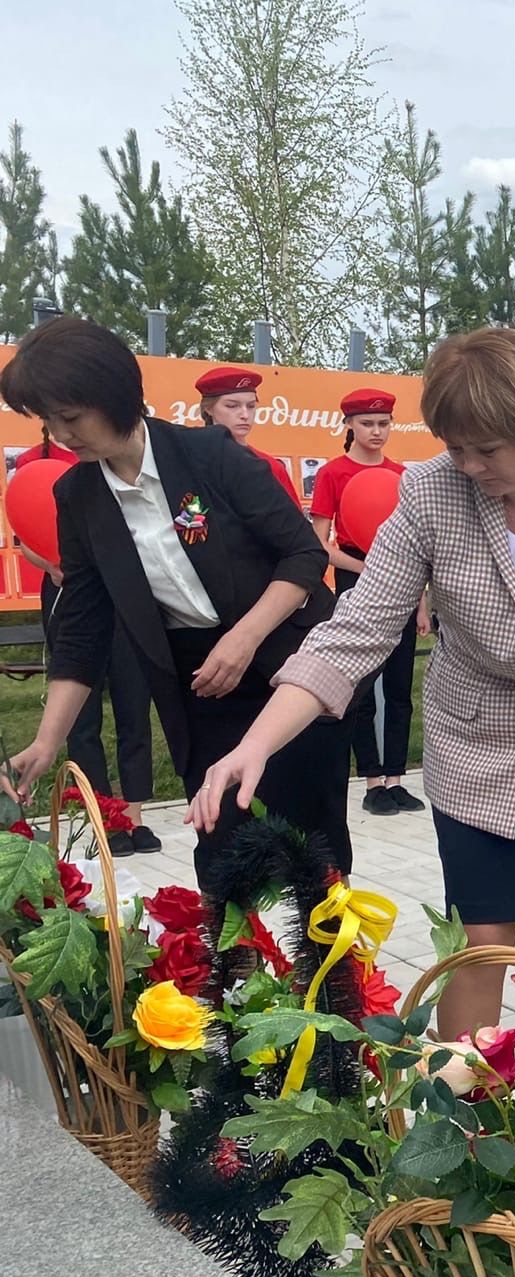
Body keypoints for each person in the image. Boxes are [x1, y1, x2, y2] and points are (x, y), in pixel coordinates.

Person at [188, 329, 515, 1041]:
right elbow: (354, 630)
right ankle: (463, 1119)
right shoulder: (431, 493)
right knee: (480, 936)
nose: (470, 464)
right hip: (483, 744)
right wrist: (255, 745)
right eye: (457, 445)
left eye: (488, 447)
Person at [0, 318, 351, 883]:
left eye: (70, 417)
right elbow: (83, 630)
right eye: (48, 421)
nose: (62, 435)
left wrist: (244, 637)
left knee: (317, 851)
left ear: (112, 395)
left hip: (287, 666)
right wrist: (46, 741)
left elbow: (302, 557)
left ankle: (334, 970)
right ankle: (226, 969)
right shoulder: (79, 496)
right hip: (199, 685)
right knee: (221, 854)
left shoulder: (210, 457)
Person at [13, 433, 160, 856]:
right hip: (68, 591)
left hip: (124, 588)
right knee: (82, 708)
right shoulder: (30, 461)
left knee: (134, 701)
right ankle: (101, 812)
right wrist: (57, 566)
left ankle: (134, 813)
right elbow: (28, 532)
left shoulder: (110, 455)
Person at [309, 389, 430, 815]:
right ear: (350, 426)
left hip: (402, 582)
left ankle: (396, 778)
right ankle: (371, 779)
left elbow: (418, 546)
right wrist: (370, 571)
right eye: (367, 424)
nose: (376, 432)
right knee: (361, 687)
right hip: (355, 576)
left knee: (399, 687)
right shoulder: (332, 474)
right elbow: (320, 544)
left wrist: (420, 603)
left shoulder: (403, 475)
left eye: (383, 424)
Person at [194, 366, 303, 508]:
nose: (245, 415)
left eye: (251, 406)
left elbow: (294, 524)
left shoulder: (271, 467)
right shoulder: (190, 461)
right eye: (232, 406)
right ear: (208, 409)